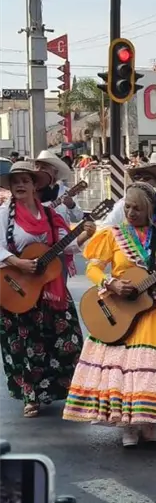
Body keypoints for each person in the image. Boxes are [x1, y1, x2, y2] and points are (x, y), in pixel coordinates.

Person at [64, 183, 156, 446]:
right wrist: (111, 284)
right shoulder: (112, 234)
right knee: (126, 369)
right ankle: (128, 425)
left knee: (153, 367)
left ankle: (150, 421)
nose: (131, 213)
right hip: (121, 309)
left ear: (152, 210)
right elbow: (93, 269)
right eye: (128, 207)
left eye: (138, 208)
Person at [0, 161, 93, 418]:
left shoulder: (52, 216)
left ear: (34, 185)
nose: (20, 185)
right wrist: (17, 262)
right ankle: (31, 396)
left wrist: (84, 235)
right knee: (25, 345)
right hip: (17, 287)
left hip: (51, 289)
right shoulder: (3, 215)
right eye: (15, 181)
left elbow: (65, 248)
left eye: (25, 180)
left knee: (68, 343)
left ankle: (72, 393)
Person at [101, 152, 156, 230]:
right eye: (137, 178)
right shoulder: (124, 204)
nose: (141, 180)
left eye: (146, 178)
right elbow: (105, 229)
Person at [35, 150, 84, 223]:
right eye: (37, 167)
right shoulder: (30, 192)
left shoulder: (66, 192)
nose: (38, 170)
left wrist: (72, 206)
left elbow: (77, 219)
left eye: (43, 167)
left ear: (55, 172)